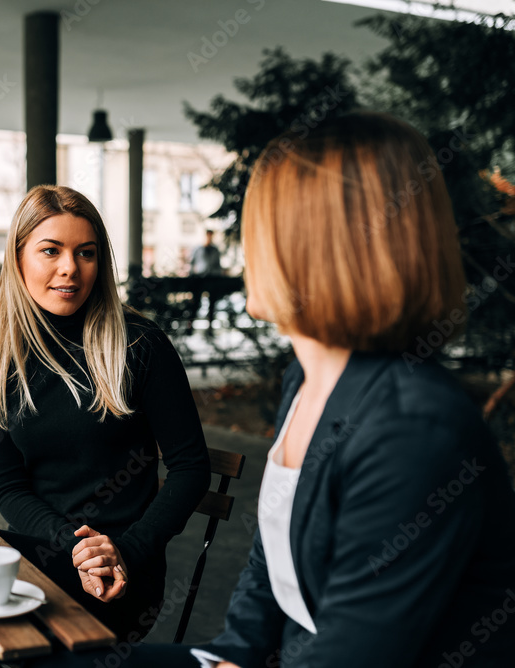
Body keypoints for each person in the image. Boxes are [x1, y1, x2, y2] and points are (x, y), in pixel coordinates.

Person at [28, 112, 515, 666]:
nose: (245, 248)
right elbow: (270, 566)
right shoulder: (307, 379)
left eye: (259, 225)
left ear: (320, 249)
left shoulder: (413, 426)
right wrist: (235, 651)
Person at [0, 184, 211, 641]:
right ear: (18, 258)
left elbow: (190, 467)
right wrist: (74, 547)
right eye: (50, 250)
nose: (70, 269)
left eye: (86, 253)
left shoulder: (139, 345)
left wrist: (126, 551)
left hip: (124, 572)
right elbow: (8, 485)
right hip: (47, 551)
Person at [190, 230, 224, 328]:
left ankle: (210, 326)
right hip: (199, 278)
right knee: (196, 302)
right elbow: (192, 263)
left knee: (212, 303)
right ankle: (190, 326)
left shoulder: (215, 250)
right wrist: (193, 275)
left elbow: (218, 264)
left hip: (212, 278)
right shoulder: (198, 249)